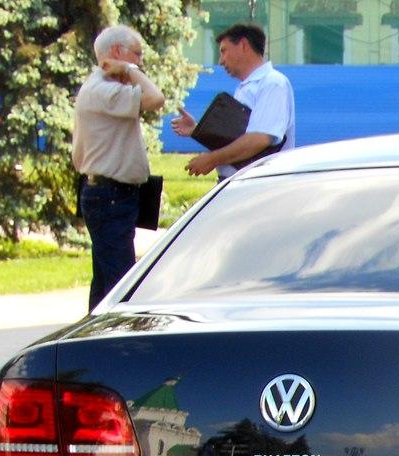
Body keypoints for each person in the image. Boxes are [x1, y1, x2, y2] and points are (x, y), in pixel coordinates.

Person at [73, 24, 166, 310]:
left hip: (113, 196)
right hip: (110, 197)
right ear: (116, 52)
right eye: (136, 55)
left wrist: (127, 69)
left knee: (105, 284)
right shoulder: (103, 90)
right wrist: (129, 69)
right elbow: (156, 99)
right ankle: (116, 345)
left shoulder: (105, 88)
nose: (140, 62)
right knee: (121, 285)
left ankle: (91, 345)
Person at [171, 23, 294, 179]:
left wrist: (212, 159)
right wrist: (197, 130)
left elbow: (260, 139)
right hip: (241, 183)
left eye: (224, 51)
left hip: (258, 184)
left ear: (243, 45)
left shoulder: (273, 83)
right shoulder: (245, 87)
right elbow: (238, 136)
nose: (221, 61)